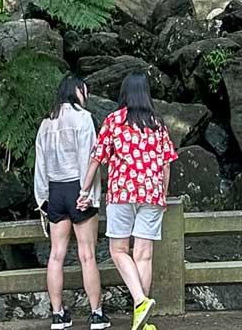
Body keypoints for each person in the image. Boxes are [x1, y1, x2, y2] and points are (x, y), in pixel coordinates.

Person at [78, 72, 177, 330]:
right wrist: (162, 195)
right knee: (144, 256)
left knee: (118, 250)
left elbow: (97, 158)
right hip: (153, 193)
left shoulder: (113, 121)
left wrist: (85, 190)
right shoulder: (158, 123)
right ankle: (141, 322)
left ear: (124, 93)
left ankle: (141, 301)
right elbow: (166, 165)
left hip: (123, 191)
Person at [34, 75, 110, 330]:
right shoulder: (83, 119)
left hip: (54, 190)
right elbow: (88, 158)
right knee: (87, 255)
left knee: (56, 255)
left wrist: (42, 198)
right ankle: (97, 314)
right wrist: (87, 194)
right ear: (77, 91)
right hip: (77, 186)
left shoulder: (46, 122)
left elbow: (40, 164)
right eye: (84, 90)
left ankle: (57, 315)